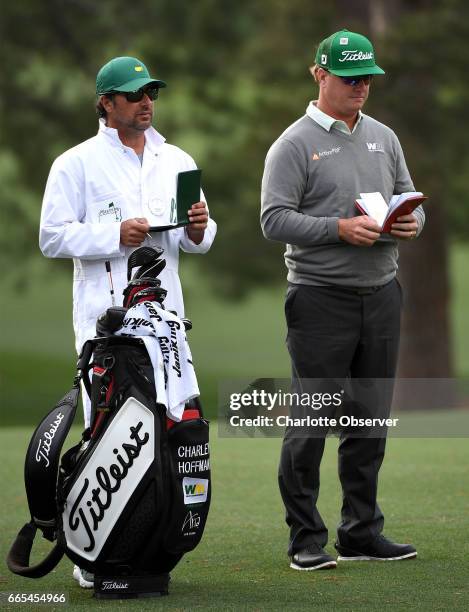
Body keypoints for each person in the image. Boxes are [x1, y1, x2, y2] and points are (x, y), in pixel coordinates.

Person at [39, 56, 216, 587]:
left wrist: (202, 226)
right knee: (105, 433)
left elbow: (199, 241)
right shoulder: (76, 163)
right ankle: (93, 557)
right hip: (106, 324)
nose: (146, 102)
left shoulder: (177, 158)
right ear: (105, 102)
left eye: (151, 93)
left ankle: (146, 544)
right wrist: (114, 236)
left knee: (167, 430)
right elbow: (52, 237)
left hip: (165, 326)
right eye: (134, 93)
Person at [261, 29, 424, 571]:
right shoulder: (292, 144)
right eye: (351, 77)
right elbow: (273, 219)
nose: (360, 87)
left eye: (367, 79)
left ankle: (360, 531)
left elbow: (409, 197)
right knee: (312, 421)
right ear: (320, 75)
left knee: (369, 420)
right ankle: (305, 537)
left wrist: (410, 223)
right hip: (319, 298)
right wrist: (338, 229)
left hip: (381, 294)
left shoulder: (384, 136)